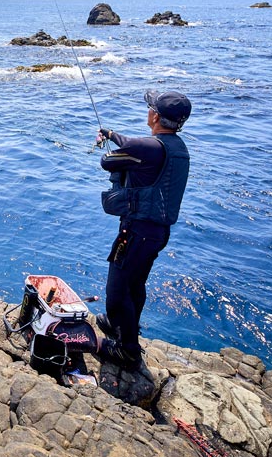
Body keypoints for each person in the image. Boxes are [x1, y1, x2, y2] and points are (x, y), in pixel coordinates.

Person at [93, 89, 191, 368]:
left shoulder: (152, 147)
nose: (148, 112)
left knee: (118, 291)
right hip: (155, 233)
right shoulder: (177, 148)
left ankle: (127, 350)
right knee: (135, 284)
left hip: (138, 232)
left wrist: (109, 135)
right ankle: (122, 326)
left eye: (151, 109)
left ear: (156, 116)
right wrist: (113, 143)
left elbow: (113, 157)